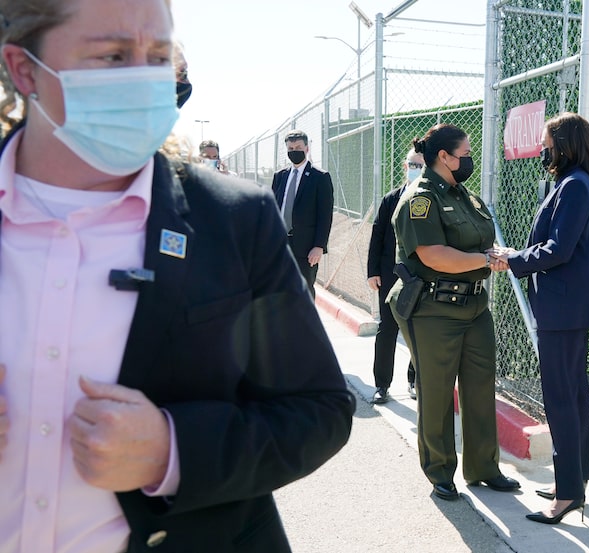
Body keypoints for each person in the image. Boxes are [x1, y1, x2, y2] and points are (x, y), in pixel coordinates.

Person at [0, 2, 355, 552]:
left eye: (159, 56)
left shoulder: (234, 220)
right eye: (113, 55)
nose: (145, 78)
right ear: (25, 71)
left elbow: (320, 410)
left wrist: (172, 451)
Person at [388, 123, 519, 501]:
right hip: (433, 309)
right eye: (465, 153)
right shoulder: (420, 199)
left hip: (475, 307)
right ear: (443, 156)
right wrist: (483, 258)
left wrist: (489, 257)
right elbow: (433, 255)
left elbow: (483, 240)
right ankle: (439, 470)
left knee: (480, 389)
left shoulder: (467, 197)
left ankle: (483, 467)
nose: (469, 160)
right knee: (437, 391)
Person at [492, 112, 589, 525]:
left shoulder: (574, 186)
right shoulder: (576, 182)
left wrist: (512, 260)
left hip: (563, 308)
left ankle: (569, 494)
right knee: (573, 397)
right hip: (567, 306)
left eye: (547, 142)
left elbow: (558, 249)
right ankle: (573, 481)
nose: (543, 149)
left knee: (562, 400)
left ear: (564, 144)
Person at [366, 148, 423, 404]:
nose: (415, 168)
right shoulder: (390, 199)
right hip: (391, 277)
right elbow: (377, 236)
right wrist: (373, 272)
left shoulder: (433, 199)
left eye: (420, 165)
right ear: (404, 166)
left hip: (422, 277)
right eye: (412, 164)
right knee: (386, 329)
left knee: (420, 332)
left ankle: (414, 380)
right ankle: (381, 385)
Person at [271, 130, 334, 299]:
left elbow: (325, 215)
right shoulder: (280, 176)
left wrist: (319, 246)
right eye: (290, 148)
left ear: (307, 148)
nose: (294, 151)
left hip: (305, 248)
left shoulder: (320, 177)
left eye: (298, 147)